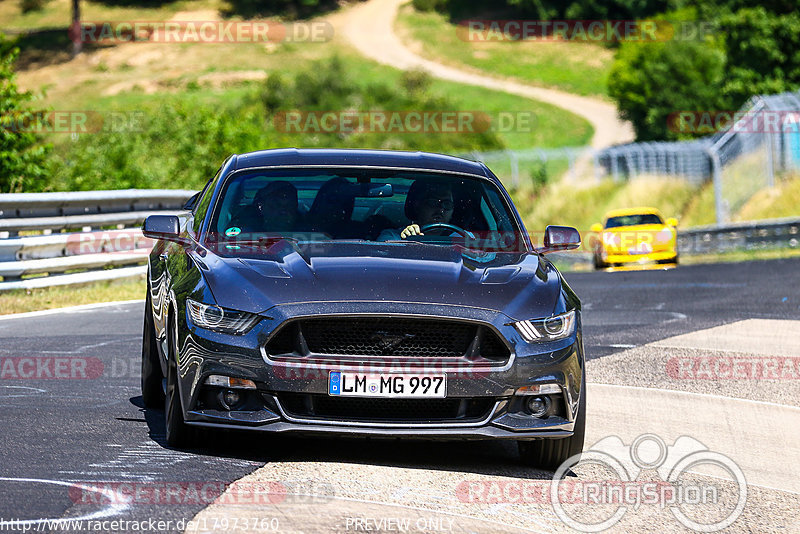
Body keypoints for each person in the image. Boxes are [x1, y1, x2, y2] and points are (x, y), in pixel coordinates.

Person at [379, 180, 456, 241]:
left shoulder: (462, 240)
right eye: (432, 203)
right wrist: (407, 242)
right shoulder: (393, 237)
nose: (440, 209)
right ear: (418, 206)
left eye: (447, 204)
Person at [228, 181, 299, 236]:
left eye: (290, 206)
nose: (283, 212)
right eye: (276, 205)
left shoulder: (308, 230)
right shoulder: (243, 232)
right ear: (261, 207)